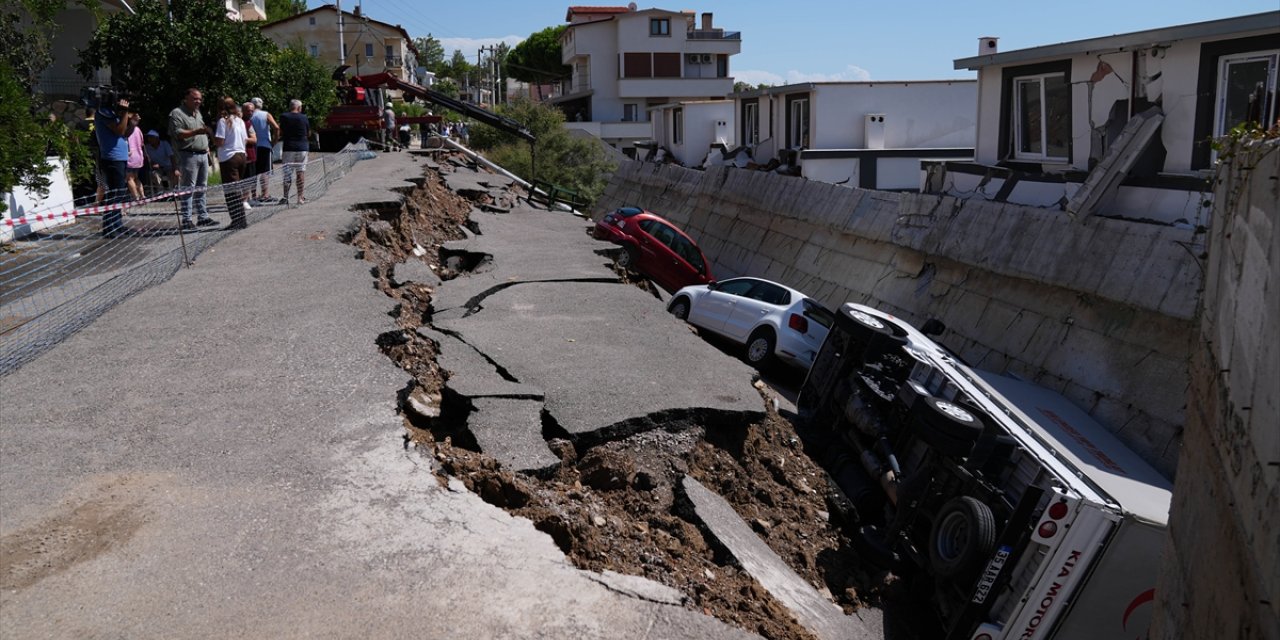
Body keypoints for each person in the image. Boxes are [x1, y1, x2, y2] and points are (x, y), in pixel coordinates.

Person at [169, 88, 217, 229]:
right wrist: (197, 131)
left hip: (202, 154)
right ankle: (186, 219)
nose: (198, 101)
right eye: (195, 98)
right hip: (188, 155)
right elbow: (178, 133)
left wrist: (207, 145)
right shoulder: (177, 113)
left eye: (200, 99)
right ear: (186, 98)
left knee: (202, 187)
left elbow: (202, 131)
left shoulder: (198, 113)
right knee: (188, 188)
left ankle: (203, 217)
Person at [94, 95, 133, 237]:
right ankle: (110, 228)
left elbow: (125, 133)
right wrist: (124, 113)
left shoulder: (112, 114)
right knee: (114, 195)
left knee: (119, 194)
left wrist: (132, 122)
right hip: (112, 158)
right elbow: (120, 130)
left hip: (120, 158)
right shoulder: (103, 112)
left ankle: (117, 224)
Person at [213, 97, 254, 229]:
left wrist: (209, 132)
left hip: (229, 158)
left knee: (231, 191)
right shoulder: (240, 120)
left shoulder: (223, 121)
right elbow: (245, 139)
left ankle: (237, 221)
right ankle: (241, 219)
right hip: (242, 155)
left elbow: (220, 142)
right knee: (237, 189)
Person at [249, 97, 280, 203]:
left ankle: (253, 195)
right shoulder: (266, 114)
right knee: (265, 171)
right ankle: (265, 194)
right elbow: (276, 127)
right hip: (265, 145)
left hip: (252, 146)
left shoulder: (249, 115)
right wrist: (274, 141)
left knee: (253, 171)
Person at [279, 99, 310, 204]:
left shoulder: (284, 116)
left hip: (288, 147)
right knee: (300, 172)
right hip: (302, 147)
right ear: (299, 107)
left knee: (287, 173)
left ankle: (285, 197)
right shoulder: (304, 117)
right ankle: (300, 197)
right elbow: (308, 132)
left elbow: (281, 130)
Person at [143, 130, 178, 194]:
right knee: (154, 174)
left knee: (173, 174)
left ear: (157, 138)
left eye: (151, 137)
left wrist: (175, 169)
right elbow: (147, 159)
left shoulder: (165, 144)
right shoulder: (147, 147)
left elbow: (172, 156)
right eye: (148, 137)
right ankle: (161, 192)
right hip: (157, 168)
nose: (149, 139)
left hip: (168, 166)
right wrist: (152, 163)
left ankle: (172, 192)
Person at [124, 113, 145, 201]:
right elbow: (142, 143)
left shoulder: (126, 130)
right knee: (136, 177)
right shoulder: (138, 129)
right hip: (139, 157)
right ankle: (143, 196)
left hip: (130, 156)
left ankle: (136, 197)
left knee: (129, 178)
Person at [241, 101, 258, 203]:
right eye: (248, 111)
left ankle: (248, 198)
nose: (250, 113)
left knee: (250, 178)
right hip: (245, 156)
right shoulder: (243, 122)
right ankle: (245, 200)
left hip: (251, 155)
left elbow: (254, 139)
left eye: (252, 111)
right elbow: (253, 139)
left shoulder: (249, 122)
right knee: (245, 179)